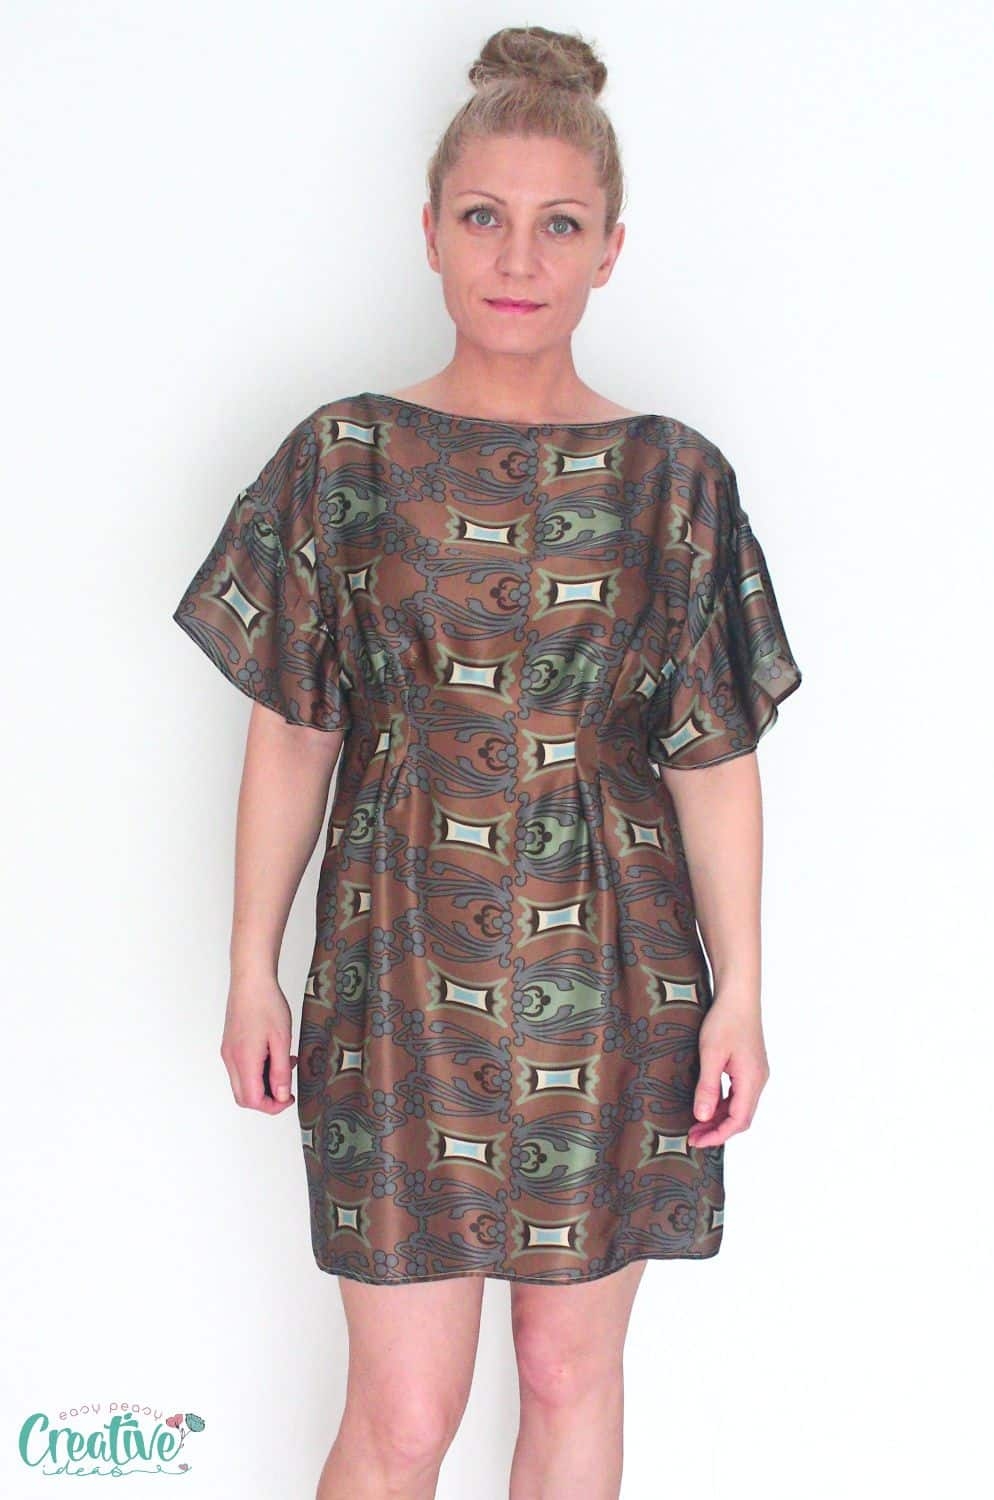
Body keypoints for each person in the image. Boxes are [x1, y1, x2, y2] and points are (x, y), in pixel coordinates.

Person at [171, 23, 804, 1500]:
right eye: (484, 217)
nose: (519, 257)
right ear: (431, 232)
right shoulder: (346, 456)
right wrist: (252, 965)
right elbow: (296, 725)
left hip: (617, 961)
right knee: (406, 1411)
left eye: (559, 224)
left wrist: (743, 994)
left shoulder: (674, 479)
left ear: (610, 249)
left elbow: (712, 755)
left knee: (569, 1371)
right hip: (396, 957)